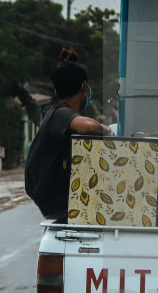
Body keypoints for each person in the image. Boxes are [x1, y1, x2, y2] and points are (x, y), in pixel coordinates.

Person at [25, 48, 112, 222]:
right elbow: (90, 127)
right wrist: (108, 130)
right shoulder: (59, 114)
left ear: (56, 92)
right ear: (84, 87)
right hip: (59, 202)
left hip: (59, 201)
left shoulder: (57, 115)